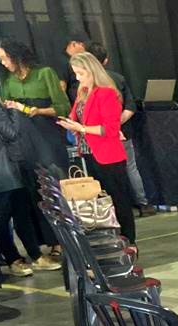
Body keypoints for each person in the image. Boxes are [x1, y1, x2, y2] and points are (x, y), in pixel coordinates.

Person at [0, 59, 61, 277]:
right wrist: (15, 110)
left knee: (19, 211)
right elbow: (11, 132)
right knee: (5, 216)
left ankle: (33, 255)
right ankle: (15, 258)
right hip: (5, 167)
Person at [59, 51, 136, 244]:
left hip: (108, 155)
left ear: (92, 71)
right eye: (75, 73)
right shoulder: (83, 93)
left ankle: (129, 239)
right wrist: (72, 125)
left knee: (118, 199)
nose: (77, 78)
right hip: (88, 152)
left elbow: (110, 129)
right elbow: (77, 118)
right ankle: (113, 237)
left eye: (81, 73)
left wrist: (82, 128)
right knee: (103, 200)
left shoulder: (107, 93)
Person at [87, 41, 153, 215]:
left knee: (108, 173)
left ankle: (116, 208)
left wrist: (111, 124)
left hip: (99, 135)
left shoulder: (89, 85)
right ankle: (143, 203)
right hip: (122, 131)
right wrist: (118, 122)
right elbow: (131, 106)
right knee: (130, 167)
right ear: (106, 60)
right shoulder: (117, 78)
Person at [0, 39, 70, 169]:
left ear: (16, 54)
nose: (3, 63)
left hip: (49, 137)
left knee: (57, 175)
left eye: (5, 58)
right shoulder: (7, 80)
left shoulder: (44, 73)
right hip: (25, 142)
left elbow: (64, 108)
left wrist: (40, 111)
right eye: (0, 60)